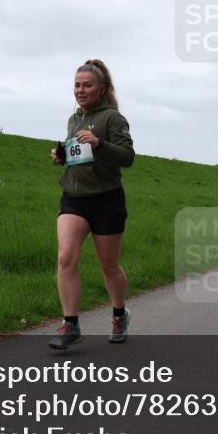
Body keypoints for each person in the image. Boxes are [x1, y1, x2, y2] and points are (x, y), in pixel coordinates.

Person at [48, 60, 134, 350]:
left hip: (106, 199)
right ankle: (70, 324)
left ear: (102, 88)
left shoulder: (113, 119)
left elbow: (127, 157)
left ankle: (119, 315)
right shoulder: (74, 119)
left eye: (87, 85)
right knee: (65, 257)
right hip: (74, 198)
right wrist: (62, 156)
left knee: (109, 266)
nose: (80, 90)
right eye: (77, 85)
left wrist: (99, 144)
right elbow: (78, 155)